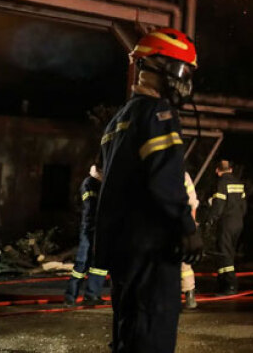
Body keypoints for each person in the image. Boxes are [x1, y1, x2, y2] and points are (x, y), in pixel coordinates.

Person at [92, 27, 203, 353]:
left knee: (128, 335)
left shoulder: (118, 121)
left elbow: (103, 180)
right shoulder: (158, 113)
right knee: (152, 336)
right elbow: (164, 176)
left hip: (123, 251)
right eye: (181, 70)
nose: (184, 81)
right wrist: (186, 226)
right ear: (155, 66)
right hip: (152, 249)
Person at [63, 161, 109, 306]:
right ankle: (70, 297)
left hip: (100, 228)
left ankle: (92, 295)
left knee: (99, 263)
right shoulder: (89, 183)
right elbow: (90, 207)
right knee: (82, 262)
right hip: (89, 228)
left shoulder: (102, 185)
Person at [207, 159, 247, 296]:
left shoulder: (221, 183)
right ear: (231, 169)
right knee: (229, 252)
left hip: (226, 222)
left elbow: (218, 205)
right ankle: (223, 282)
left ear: (217, 171)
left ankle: (230, 285)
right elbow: (243, 206)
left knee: (224, 252)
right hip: (238, 222)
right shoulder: (239, 184)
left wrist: (210, 219)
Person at [181, 171, 199, 309]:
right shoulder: (183, 174)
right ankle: (190, 295)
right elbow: (192, 202)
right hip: (181, 222)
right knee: (184, 263)